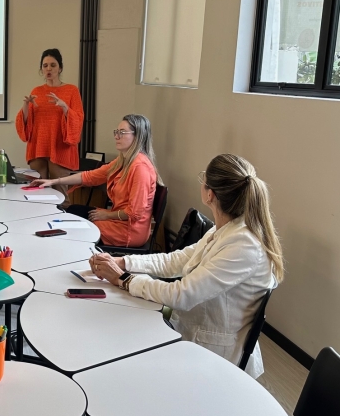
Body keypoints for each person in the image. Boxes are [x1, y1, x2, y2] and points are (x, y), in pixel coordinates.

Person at [89, 154, 284, 379]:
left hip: (214, 358)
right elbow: (176, 260)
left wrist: (124, 279)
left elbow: (182, 295)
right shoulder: (225, 230)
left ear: (209, 194)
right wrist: (123, 262)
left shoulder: (244, 245)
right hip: (192, 331)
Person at [31, 114, 161, 248]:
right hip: (117, 220)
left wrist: (107, 215)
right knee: (73, 210)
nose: (116, 136)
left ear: (138, 136)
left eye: (122, 132)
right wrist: (54, 181)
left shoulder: (140, 168)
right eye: (116, 132)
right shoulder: (123, 160)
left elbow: (135, 213)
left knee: (72, 229)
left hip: (128, 231)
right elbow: (90, 176)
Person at [16, 48, 84, 201]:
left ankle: (61, 225)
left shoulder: (71, 90)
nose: (48, 69)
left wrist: (65, 108)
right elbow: (26, 123)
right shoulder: (37, 91)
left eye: (53, 65)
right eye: (45, 65)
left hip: (60, 149)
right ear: (41, 69)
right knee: (37, 192)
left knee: (59, 195)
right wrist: (26, 107)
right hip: (38, 148)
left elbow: (78, 119)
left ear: (60, 68)